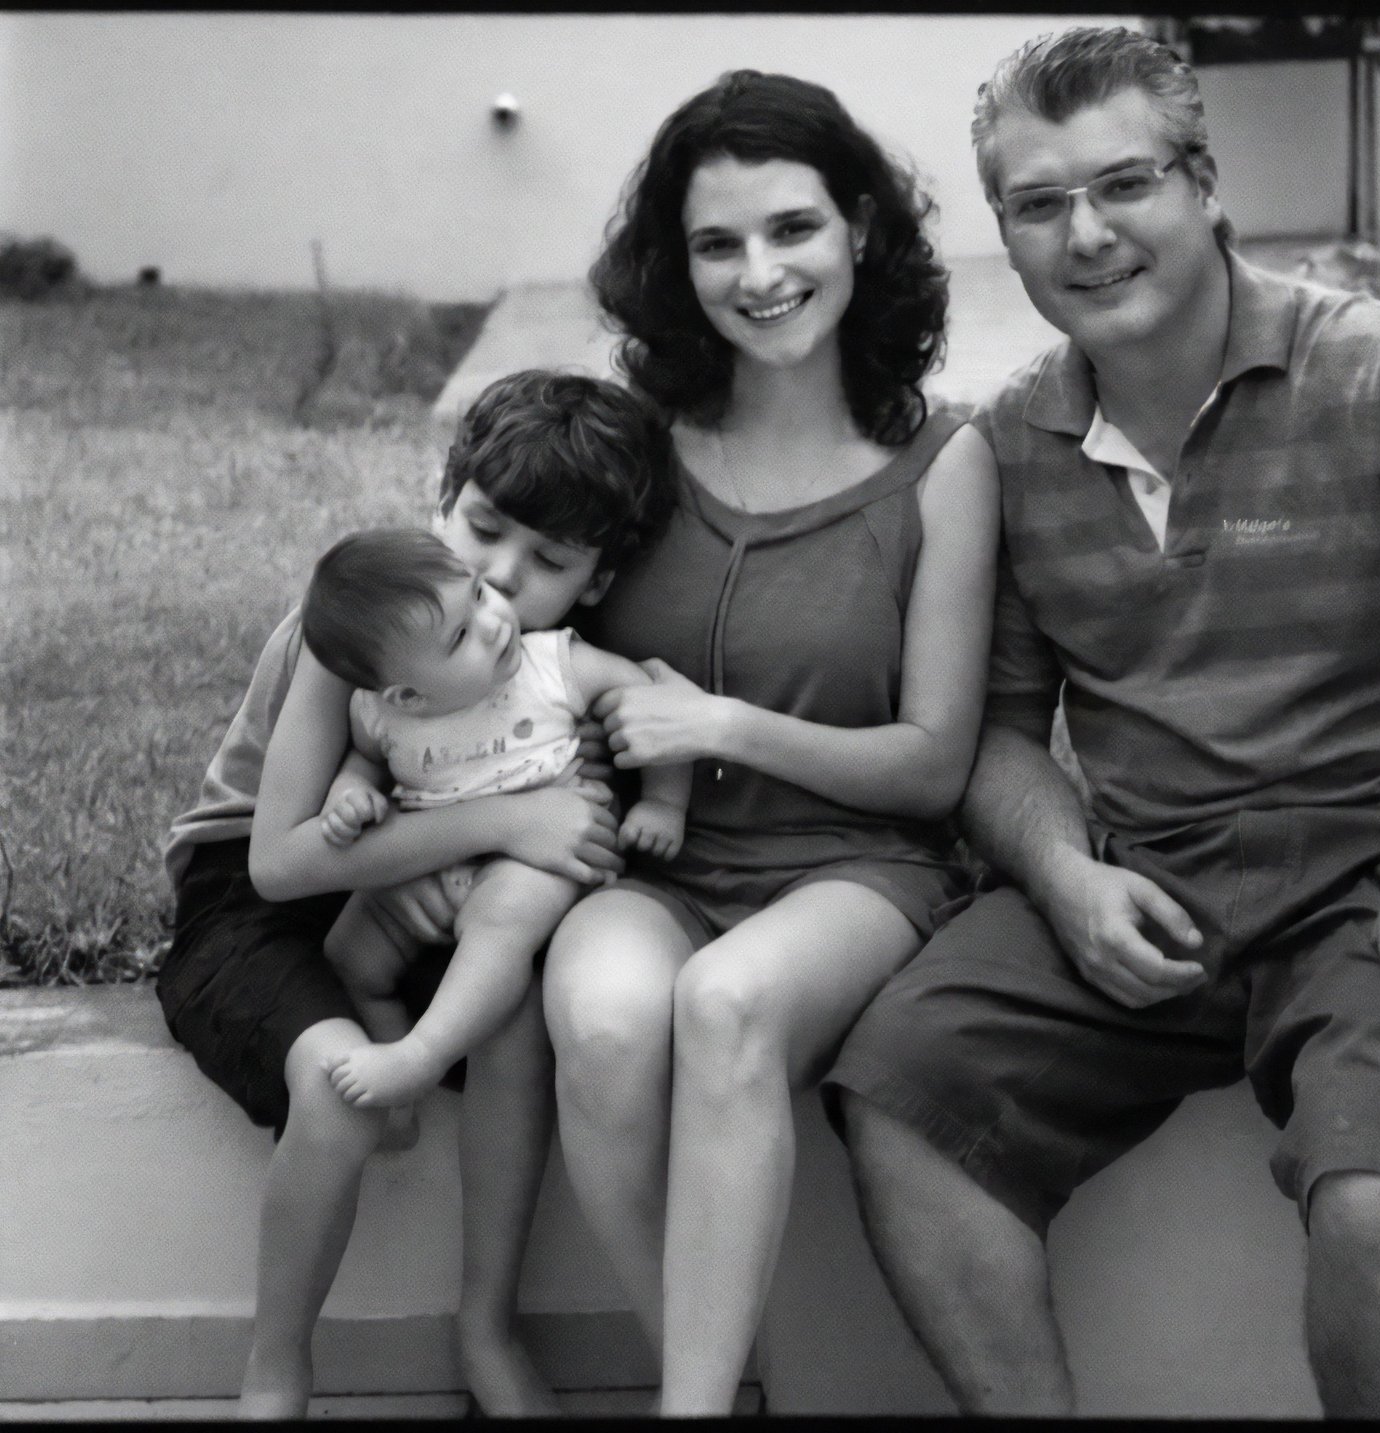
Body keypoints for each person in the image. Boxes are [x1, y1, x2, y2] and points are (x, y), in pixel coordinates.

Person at [824, 26, 1380, 1420]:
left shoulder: (1371, 368)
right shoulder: (1015, 446)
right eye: (1039, 205)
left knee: (1375, 1195)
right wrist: (1065, 875)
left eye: (1124, 185)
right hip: (1155, 882)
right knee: (902, 1083)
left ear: (1204, 184)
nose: (1087, 235)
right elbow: (999, 733)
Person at [540, 70, 999, 1415]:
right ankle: (718, 1387)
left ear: (860, 226)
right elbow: (500, 617)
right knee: (608, 1022)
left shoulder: (944, 465)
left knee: (727, 1005)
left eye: (793, 228)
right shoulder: (630, 449)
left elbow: (934, 763)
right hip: (652, 861)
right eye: (717, 243)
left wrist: (724, 724)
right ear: (675, 268)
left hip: (855, 867)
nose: (761, 274)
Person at [157, 368, 665, 1418]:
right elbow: (280, 860)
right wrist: (497, 828)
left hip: (421, 878)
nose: (501, 575)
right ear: (445, 494)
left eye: (549, 561)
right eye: (483, 528)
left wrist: (484, 848)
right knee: (338, 1087)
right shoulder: (363, 627)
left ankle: (486, 1325)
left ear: (596, 581)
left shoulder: (536, 659)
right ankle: (277, 1368)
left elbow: (565, 790)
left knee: (513, 1018)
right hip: (257, 897)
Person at [292, 526, 691, 1135]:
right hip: (435, 855)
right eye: (459, 636)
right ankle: (397, 1091)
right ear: (407, 696)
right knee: (350, 955)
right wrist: (350, 794)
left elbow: (650, 703)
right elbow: (365, 761)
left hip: (544, 850)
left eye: (477, 593)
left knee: (498, 925)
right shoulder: (377, 713)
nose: (495, 622)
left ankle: (422, 1054)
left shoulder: (552, 665)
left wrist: (663, 803)